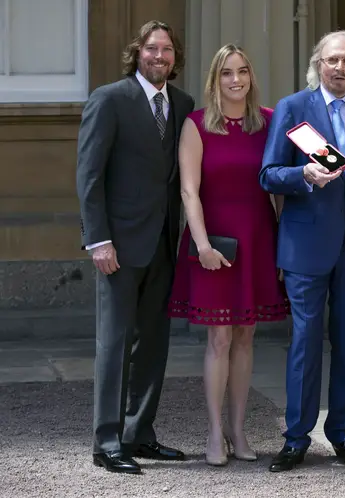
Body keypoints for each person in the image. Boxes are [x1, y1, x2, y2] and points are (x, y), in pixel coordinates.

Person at [259, 30, 345, 472]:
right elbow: (269, 174)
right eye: (331, 59)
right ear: (318, 63)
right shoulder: (294, 108)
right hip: (305, 245)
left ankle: (343, 435)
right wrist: (305, 176)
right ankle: (296, 437)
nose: (339, 68)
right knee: (305, 344)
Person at [76, 20, 195, 474]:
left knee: (154, 345)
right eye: (151, 48)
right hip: (119, 246)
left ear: (174, 57)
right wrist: (98, 239)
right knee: (114, 343)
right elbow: (89, 176)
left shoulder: (182, 104)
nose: (159, 56)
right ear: (138, 52)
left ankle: (139, 433)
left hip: (165, 242)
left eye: (166, 49)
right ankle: (106, 442)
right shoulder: (109, 99)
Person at [168, 44, 289, 466]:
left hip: (258, 240)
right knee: (219, 337)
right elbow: (188, 190)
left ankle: (239, 430)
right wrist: (201, 246)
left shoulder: (271, 122)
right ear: (214, 79)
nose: (236, 80)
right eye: (226, 73)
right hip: (214, 243)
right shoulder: (197, 125)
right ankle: (215, 432)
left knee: (246, 336)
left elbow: (279, 188)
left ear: (251, 76)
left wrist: (283, 248)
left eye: (242, 71)